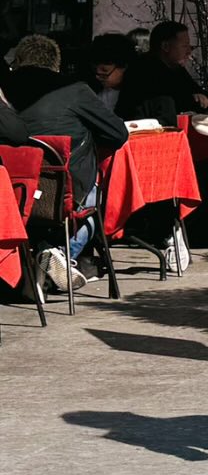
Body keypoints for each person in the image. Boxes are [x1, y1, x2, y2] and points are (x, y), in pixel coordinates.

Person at [0, 37, 129, 293]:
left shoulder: (4, 88)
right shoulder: (74, 90)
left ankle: (37, 263)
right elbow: (118, 134)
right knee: (97, 202)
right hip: (62, 193)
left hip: (13, 193)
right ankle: (57, 252)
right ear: (55, 64)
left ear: (19, 61)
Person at [121, 22, 207, 122]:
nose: (189, 51)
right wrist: (195, 99)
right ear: (165, 46)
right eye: (184, 46)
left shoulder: (176, 67)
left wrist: (201, 99)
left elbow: (199, 94)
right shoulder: (145, 69)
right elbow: (175, 103)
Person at [90, 34, 135, 115]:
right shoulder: (95, 90)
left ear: (124, 67)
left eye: (104, 70)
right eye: (95, 70)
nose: (98, 76)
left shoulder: (135, 98)